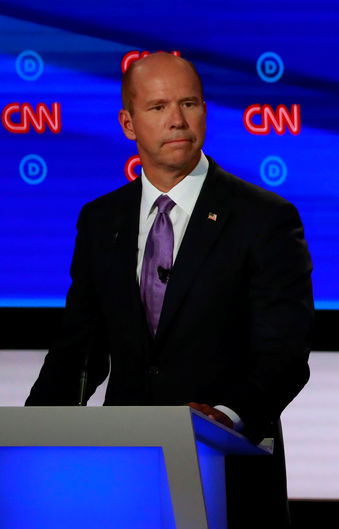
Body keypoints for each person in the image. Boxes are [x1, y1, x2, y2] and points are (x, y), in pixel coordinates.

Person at [26, 52, 314, 527]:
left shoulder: (264, 219)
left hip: (227, 474)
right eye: (158, 107)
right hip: (126, 474)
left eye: (189, 103)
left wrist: (225, 416)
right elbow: (78, 353)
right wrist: (30, 438)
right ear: (128, 123)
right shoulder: (101, 221)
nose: (177, 120)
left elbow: (284, 353)